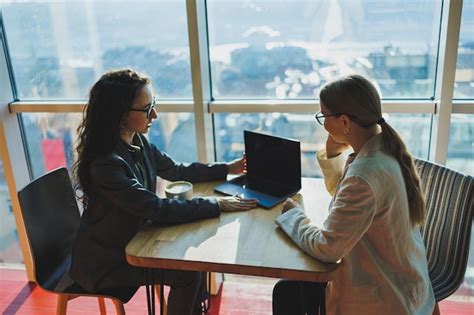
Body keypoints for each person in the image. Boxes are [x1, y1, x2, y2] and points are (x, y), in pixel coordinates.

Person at [69, 68, 258, 315]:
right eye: (147, 109)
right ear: (120, 115)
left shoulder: (137, 140)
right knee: (188, 274)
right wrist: (216, 204)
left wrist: (227, 168)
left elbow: (176, 170)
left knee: (195, 265)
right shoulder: (105, 164)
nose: (155, 114)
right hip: (107, 262)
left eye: (153, 104)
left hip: (132, 240)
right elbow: (154, 208)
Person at [273, 74, 435, 314]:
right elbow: (347, 201)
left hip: (383, 297)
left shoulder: (365, 173)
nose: (323, 124)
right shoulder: (382, 151)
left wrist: (294, 216)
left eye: (323, 116)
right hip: (407, 284)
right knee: (288, 290)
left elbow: (328, 248)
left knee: (287, 292)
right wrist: (332, 155)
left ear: (345, 122)